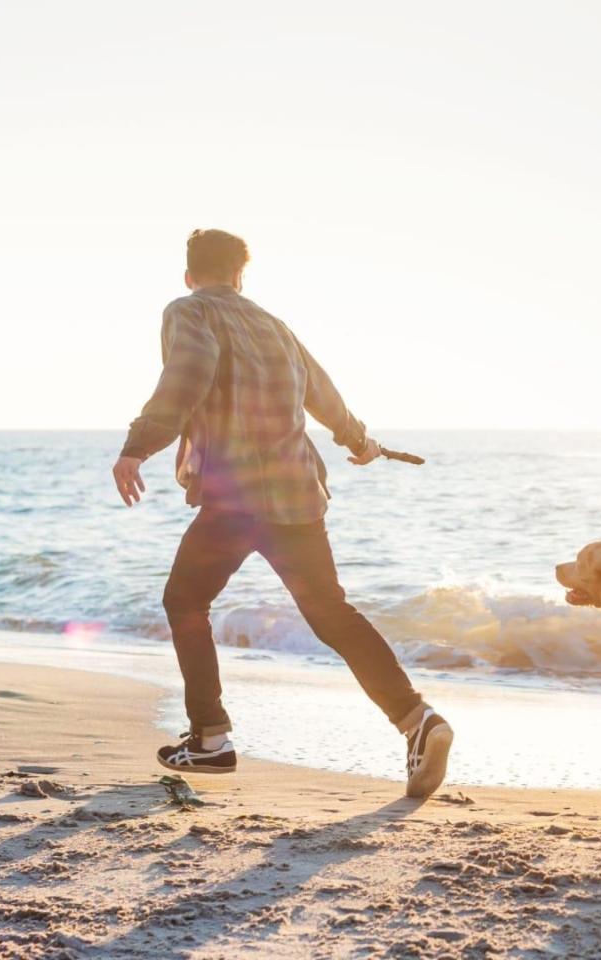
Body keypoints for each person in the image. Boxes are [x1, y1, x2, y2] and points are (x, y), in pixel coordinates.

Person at [112, 228, 453, 798]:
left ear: (190, 274)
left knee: (185, 601)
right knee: (332, 614)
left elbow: (187, 375)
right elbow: (323, 392)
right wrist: (359, 440)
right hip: (297, 496)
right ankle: (418, 721)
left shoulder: (187, 311)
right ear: (241, 276)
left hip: (235, 498)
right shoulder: (274, 325)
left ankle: (211, 740)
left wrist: (137, 445)